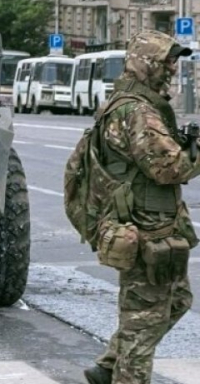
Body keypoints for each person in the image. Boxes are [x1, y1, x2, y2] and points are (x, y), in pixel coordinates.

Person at [83, 29, 199, 384]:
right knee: (144, 321)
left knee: (175, 300)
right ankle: (123, 376)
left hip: (150, 225)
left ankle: (107, 368)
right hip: (144, 229)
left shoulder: (128, 103)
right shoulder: (139, 111)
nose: (173, 68)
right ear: (146, 64)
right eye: (167, 61)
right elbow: (169, 168)